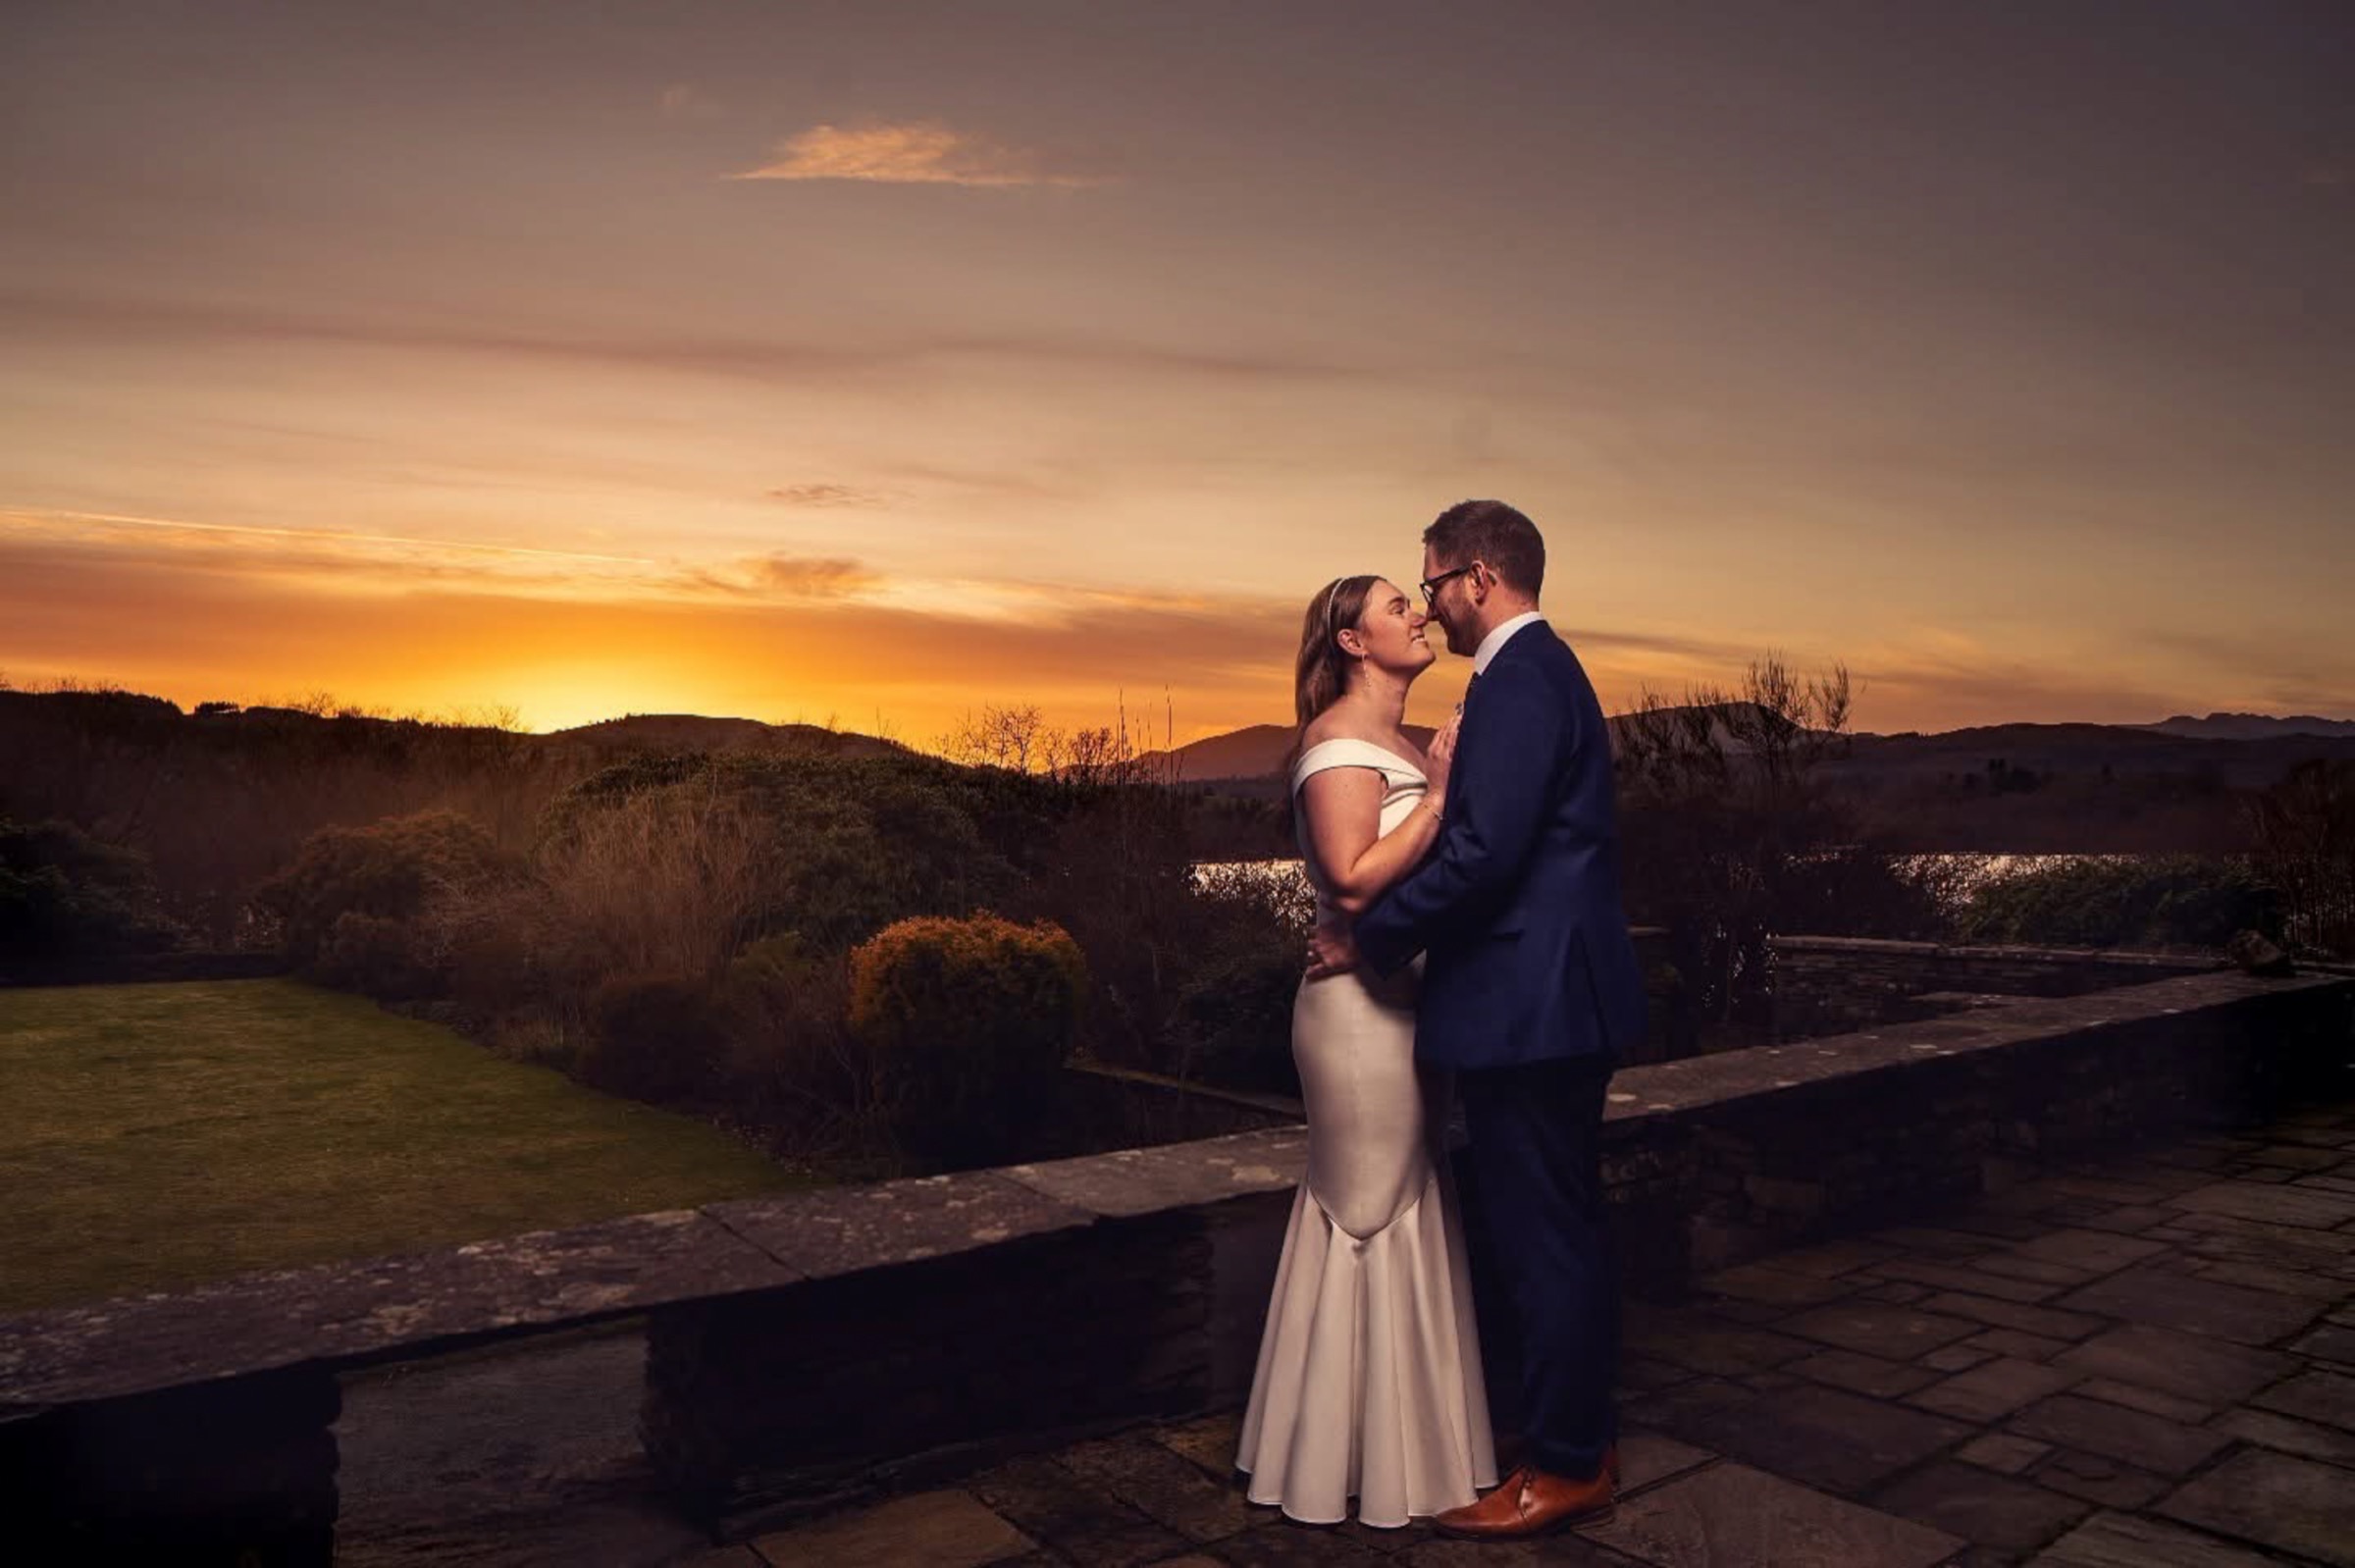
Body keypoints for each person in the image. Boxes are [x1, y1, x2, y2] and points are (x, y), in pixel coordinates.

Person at [1308, 499, 1647, 1541]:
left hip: (1529, 1004)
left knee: (1543, 1236)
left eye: (1436, 581)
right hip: (1554, 998)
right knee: (1565, 1225)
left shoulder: (1518, 681)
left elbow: (1485, 854)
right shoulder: (1544, 674)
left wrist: (1366, 938)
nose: (1435, 606)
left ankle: (1563, 1465)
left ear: (1480, 578)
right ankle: (1580, 1433)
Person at [1234, 573, 1497, 1529]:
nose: (1419, 614)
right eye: (1397, 605)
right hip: (1355, 1012)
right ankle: (1335, 1461)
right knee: (1366, 1205)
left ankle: (1416, 1449)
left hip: (1417, 1004)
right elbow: (1349, 884)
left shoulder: (1399, 744)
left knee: (1416, 1194)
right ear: (1351, 641)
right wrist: (1446, 794)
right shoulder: (1338, 740)